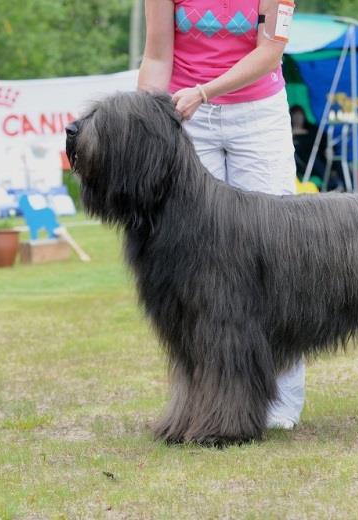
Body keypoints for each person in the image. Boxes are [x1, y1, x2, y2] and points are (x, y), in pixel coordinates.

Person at [137, 0, 305, 430]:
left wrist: (207, 90)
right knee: (199, 268)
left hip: (257, 116)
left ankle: (281, 402)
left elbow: (270, 51)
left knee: (277, 256)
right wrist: (144, 121)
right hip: (187, 117)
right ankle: (209, 399)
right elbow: (157, 57)